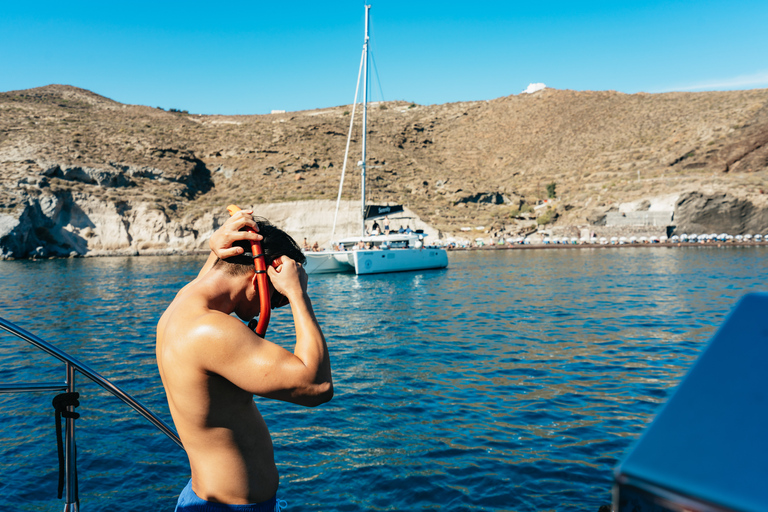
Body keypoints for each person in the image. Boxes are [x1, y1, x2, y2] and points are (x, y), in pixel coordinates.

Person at [156, 208, 333, 512]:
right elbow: (317, 386)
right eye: (276, 298)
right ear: (258, 281)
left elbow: (218, 270)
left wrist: (216, 246)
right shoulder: (209, 330)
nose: (276, 305)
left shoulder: (187, 301)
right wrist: (297, 295)